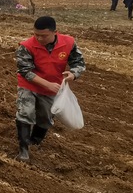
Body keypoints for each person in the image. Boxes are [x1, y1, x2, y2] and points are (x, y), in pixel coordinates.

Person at [15, 16, 86, 162]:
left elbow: (79, 62)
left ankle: (34, 141)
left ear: (55, 32)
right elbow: (25, 71)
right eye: (36, 35)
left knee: (46, 117)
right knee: (25, 112)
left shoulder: (69, 43)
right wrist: (46, 84)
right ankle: (23, 150)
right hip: (30, 85)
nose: (39, 38)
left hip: (53, 87)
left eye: (44, 35)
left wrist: (73, 74)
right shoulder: (27, 46)